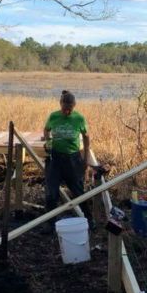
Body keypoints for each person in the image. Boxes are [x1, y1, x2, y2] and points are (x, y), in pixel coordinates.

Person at [43, 90, 95, 231]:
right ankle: (49, 224)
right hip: (56, 160)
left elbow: (86, 136)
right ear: (60, 104)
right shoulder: (53, 117)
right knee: (51, 194)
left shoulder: (79, 119)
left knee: (78, 192)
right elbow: (46, 130)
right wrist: (48, 142)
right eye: (64, 109)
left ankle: (89, 219)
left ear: (74, 106)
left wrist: (85, 158)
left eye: (69, 109)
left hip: (73, 159)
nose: (66, 112)